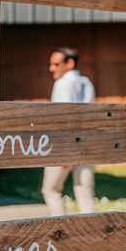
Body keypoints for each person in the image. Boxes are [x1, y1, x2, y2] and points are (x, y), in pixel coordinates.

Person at [42, 47, 96, 215]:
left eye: (56, 64)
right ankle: (92, 236)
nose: (52, 68)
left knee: (51, 190)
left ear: (70, 63)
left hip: (66, 145)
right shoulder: (86, 82)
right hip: (87, 145)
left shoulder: (63, 83)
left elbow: (64, 117)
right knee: (85, 193)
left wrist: (65, 151)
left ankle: (62, 235)